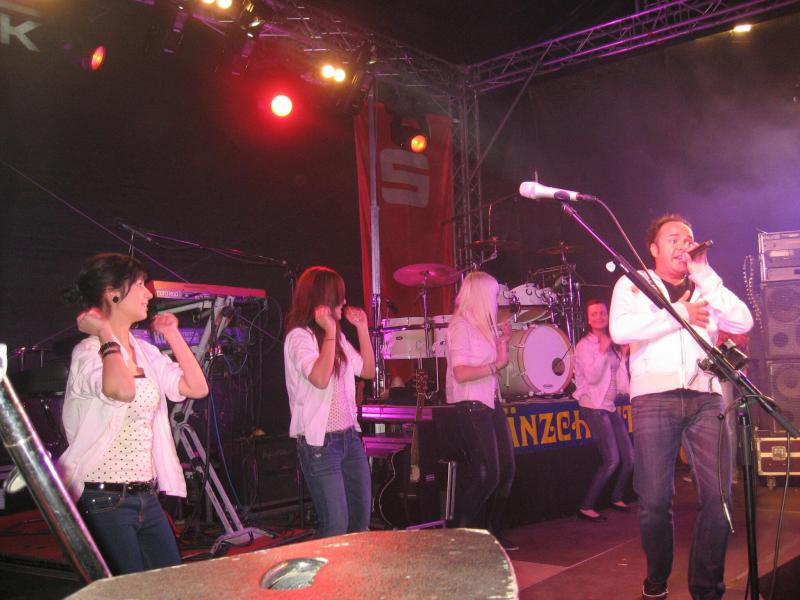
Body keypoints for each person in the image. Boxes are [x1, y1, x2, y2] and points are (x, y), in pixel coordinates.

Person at [609, 215, 753, 600]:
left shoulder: (704, 286)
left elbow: (743, 320)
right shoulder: (634, 283)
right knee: (654, 502)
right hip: (654, 398)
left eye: (688, 239)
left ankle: (707, 588)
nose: (683, 244)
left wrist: (705, 274)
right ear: (654, 249)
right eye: (673, 238)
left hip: (706, 397)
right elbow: (621, 331)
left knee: (719, 499)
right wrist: (679, 315)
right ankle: (657, 577)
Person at [57, 253, 209, 574]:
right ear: (113, 293)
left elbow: (197, 387)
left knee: (170, 583)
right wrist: (104, 333)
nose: (148, 294)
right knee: (127, 590)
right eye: (139, 284)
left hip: (145, 496)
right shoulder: (88, 353)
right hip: (104, 498)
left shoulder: (144, 351)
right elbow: (122, 390)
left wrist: (173, 336)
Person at [283, 266, 375, 538]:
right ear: (324, 298)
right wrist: (331, 332)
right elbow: (320, 379)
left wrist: (362, 329)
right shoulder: (300, 337)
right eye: (339, 295)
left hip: (349, 439)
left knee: (360, 523)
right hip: (320, 445)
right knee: (336, 525)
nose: (344, 301)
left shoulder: (338, 338)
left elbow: (367, 371)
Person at [444, 271, 516, 550]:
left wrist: (502, 343)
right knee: (487, 473)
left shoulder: (481, 324)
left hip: (488, 402)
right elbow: (461, 373)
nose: (496, 300)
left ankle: (491, 532)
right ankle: (457, 533)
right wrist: (496, 364)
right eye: (494, 294)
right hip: (471, 404)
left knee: (506, 470)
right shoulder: (460, 326)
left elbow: (493, 363)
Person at [573, 299, 634, 522]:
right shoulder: (584, 346)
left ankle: (616, 497)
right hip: (593, 406)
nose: (599, 317)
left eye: (603, 313)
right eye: (594, 314)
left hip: (609, 406)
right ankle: (586, 506)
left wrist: (624, 356)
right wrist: (601, 350)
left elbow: (621, 383)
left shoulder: (612, 343)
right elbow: (592, 377)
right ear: (588, 320)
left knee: (629, 458)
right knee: (612, 460)